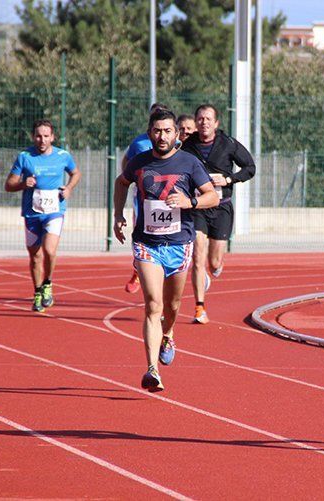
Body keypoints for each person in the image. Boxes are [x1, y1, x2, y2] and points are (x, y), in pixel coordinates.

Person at [113, 108, 218, 392]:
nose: (162, 136)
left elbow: (212, 196)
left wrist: (190, 203)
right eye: (157, 131)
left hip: (179, 244)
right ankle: (152, 370)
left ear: (176, 134)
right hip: (147, 244)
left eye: (167, 131)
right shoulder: (139, 162)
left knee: (171, 307)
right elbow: (121, 182)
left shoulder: (189, 163)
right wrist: (118, 215)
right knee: (153, 305)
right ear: (150, 134)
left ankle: (168, 333)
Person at [180, 104, 255, 324]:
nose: (204, 123)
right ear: (196, 122)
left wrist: (229, 179)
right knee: (197, 257)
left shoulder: (228, 144)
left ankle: (214, 267)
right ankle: (199, 308)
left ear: (216, 123)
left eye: (208, 119)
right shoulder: (187, 146)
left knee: (213, 262)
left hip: (222, 206)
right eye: (200, 119)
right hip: (198, 207)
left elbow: (250, 167)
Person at [5, 119, 81, 312]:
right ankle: (37, 290)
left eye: (46, 136)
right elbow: (9, 185)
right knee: (35, 256)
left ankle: (47, 283)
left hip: (54, 211)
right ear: (33, 137)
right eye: (39, 136)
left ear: (52, 137)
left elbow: (76, 173)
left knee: (49, 250)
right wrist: (23, 183)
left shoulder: (62, 156)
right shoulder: (25, 157)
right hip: (32, 213)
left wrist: (69, 188)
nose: (42, 140)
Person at [123, 102, 171, 294]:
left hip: (169, 199)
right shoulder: (139, 143)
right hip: (144, 199)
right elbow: (126, 162)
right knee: (142, 232)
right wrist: (134, 179)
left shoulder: (173, 142)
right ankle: (139, 266)